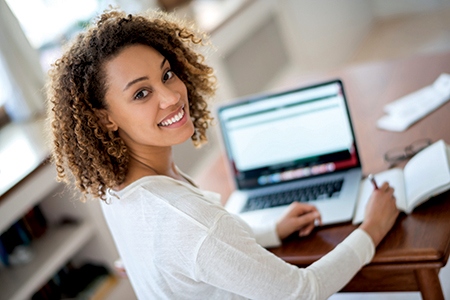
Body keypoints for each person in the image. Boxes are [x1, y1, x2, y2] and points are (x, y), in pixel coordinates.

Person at [47, 8, 399, 300]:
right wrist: (372, 229)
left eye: (167, 74)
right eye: (141, 94)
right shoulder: (188, 222)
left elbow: (198, 255)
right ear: (103, 118)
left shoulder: (117, 188)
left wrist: (271, 231)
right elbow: (302, 291)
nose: (171, 97)